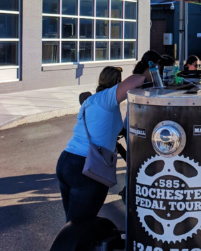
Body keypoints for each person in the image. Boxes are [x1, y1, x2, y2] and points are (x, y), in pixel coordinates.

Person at [56, 66, 149, 223]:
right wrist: (150, 72)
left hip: (67, 161)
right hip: (87, 167)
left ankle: (74, 238)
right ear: (117, 82)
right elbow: (137, 80)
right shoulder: (106, 99)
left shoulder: (92, 101)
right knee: (81, 225)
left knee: (72, 224)